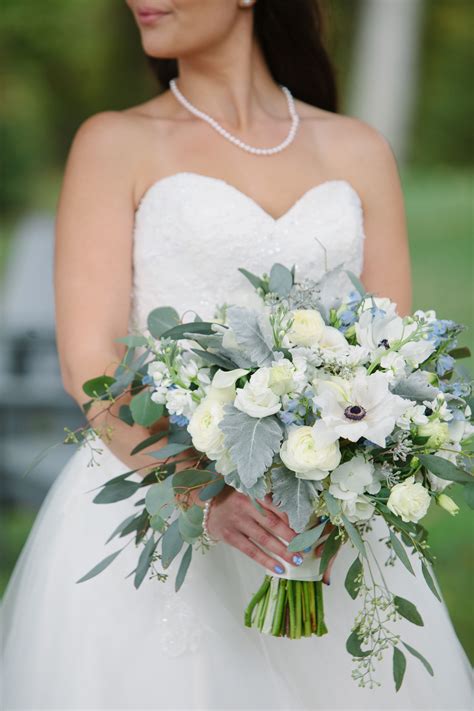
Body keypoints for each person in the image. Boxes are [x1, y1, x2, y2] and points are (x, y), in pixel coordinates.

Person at [2, 1, 472, 709]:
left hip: (320, 531)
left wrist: (347, 488)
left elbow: (391, 359)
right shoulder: (115, 142)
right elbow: (88, 363)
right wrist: (204, 491)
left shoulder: (358, 150)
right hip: (155, 508)